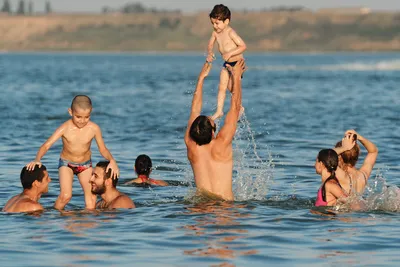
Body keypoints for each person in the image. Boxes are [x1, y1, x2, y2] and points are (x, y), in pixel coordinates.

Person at [26, 95, 119, 210]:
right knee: (66, 196)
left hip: (85, 165)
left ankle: (88, 225)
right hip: (67, 164)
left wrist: (112, 160)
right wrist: (37, 159)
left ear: (91, 112)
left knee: (91, 200)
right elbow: (46, 145)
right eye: (78, 117)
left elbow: (103, 149)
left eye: (86, 117)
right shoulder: (65, 128)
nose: (82, 121)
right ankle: (54, 215)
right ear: (70, 112)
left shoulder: (94, 128)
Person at [184, 58, 245, 201]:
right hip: (224, 210)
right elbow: (235, 108)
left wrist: (201, 79)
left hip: (199, 210)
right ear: (212, 132)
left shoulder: (190, 145)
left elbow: (194, 110)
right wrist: (236, 77)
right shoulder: (222, 143)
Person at [206, 4, 247, 120]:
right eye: (213, 23)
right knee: (222, 86)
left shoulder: (230, 32)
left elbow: (243, 46)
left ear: (226, 21)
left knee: (233, 87)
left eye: (217, 23)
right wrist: (209, 53)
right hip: (226, 64)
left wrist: (230, 53)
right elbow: (210, 45)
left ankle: (239, 106)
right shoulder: (215, 33)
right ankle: (219, 111)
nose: (215, 26)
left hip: (237, 64)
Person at [334, 129, 378, 194]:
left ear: (339, 156)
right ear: (358, 154)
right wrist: (359, 137)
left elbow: (325, 156)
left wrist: (344, 148)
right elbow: (373, 151)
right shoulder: (363, 175)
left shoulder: (340, 175)